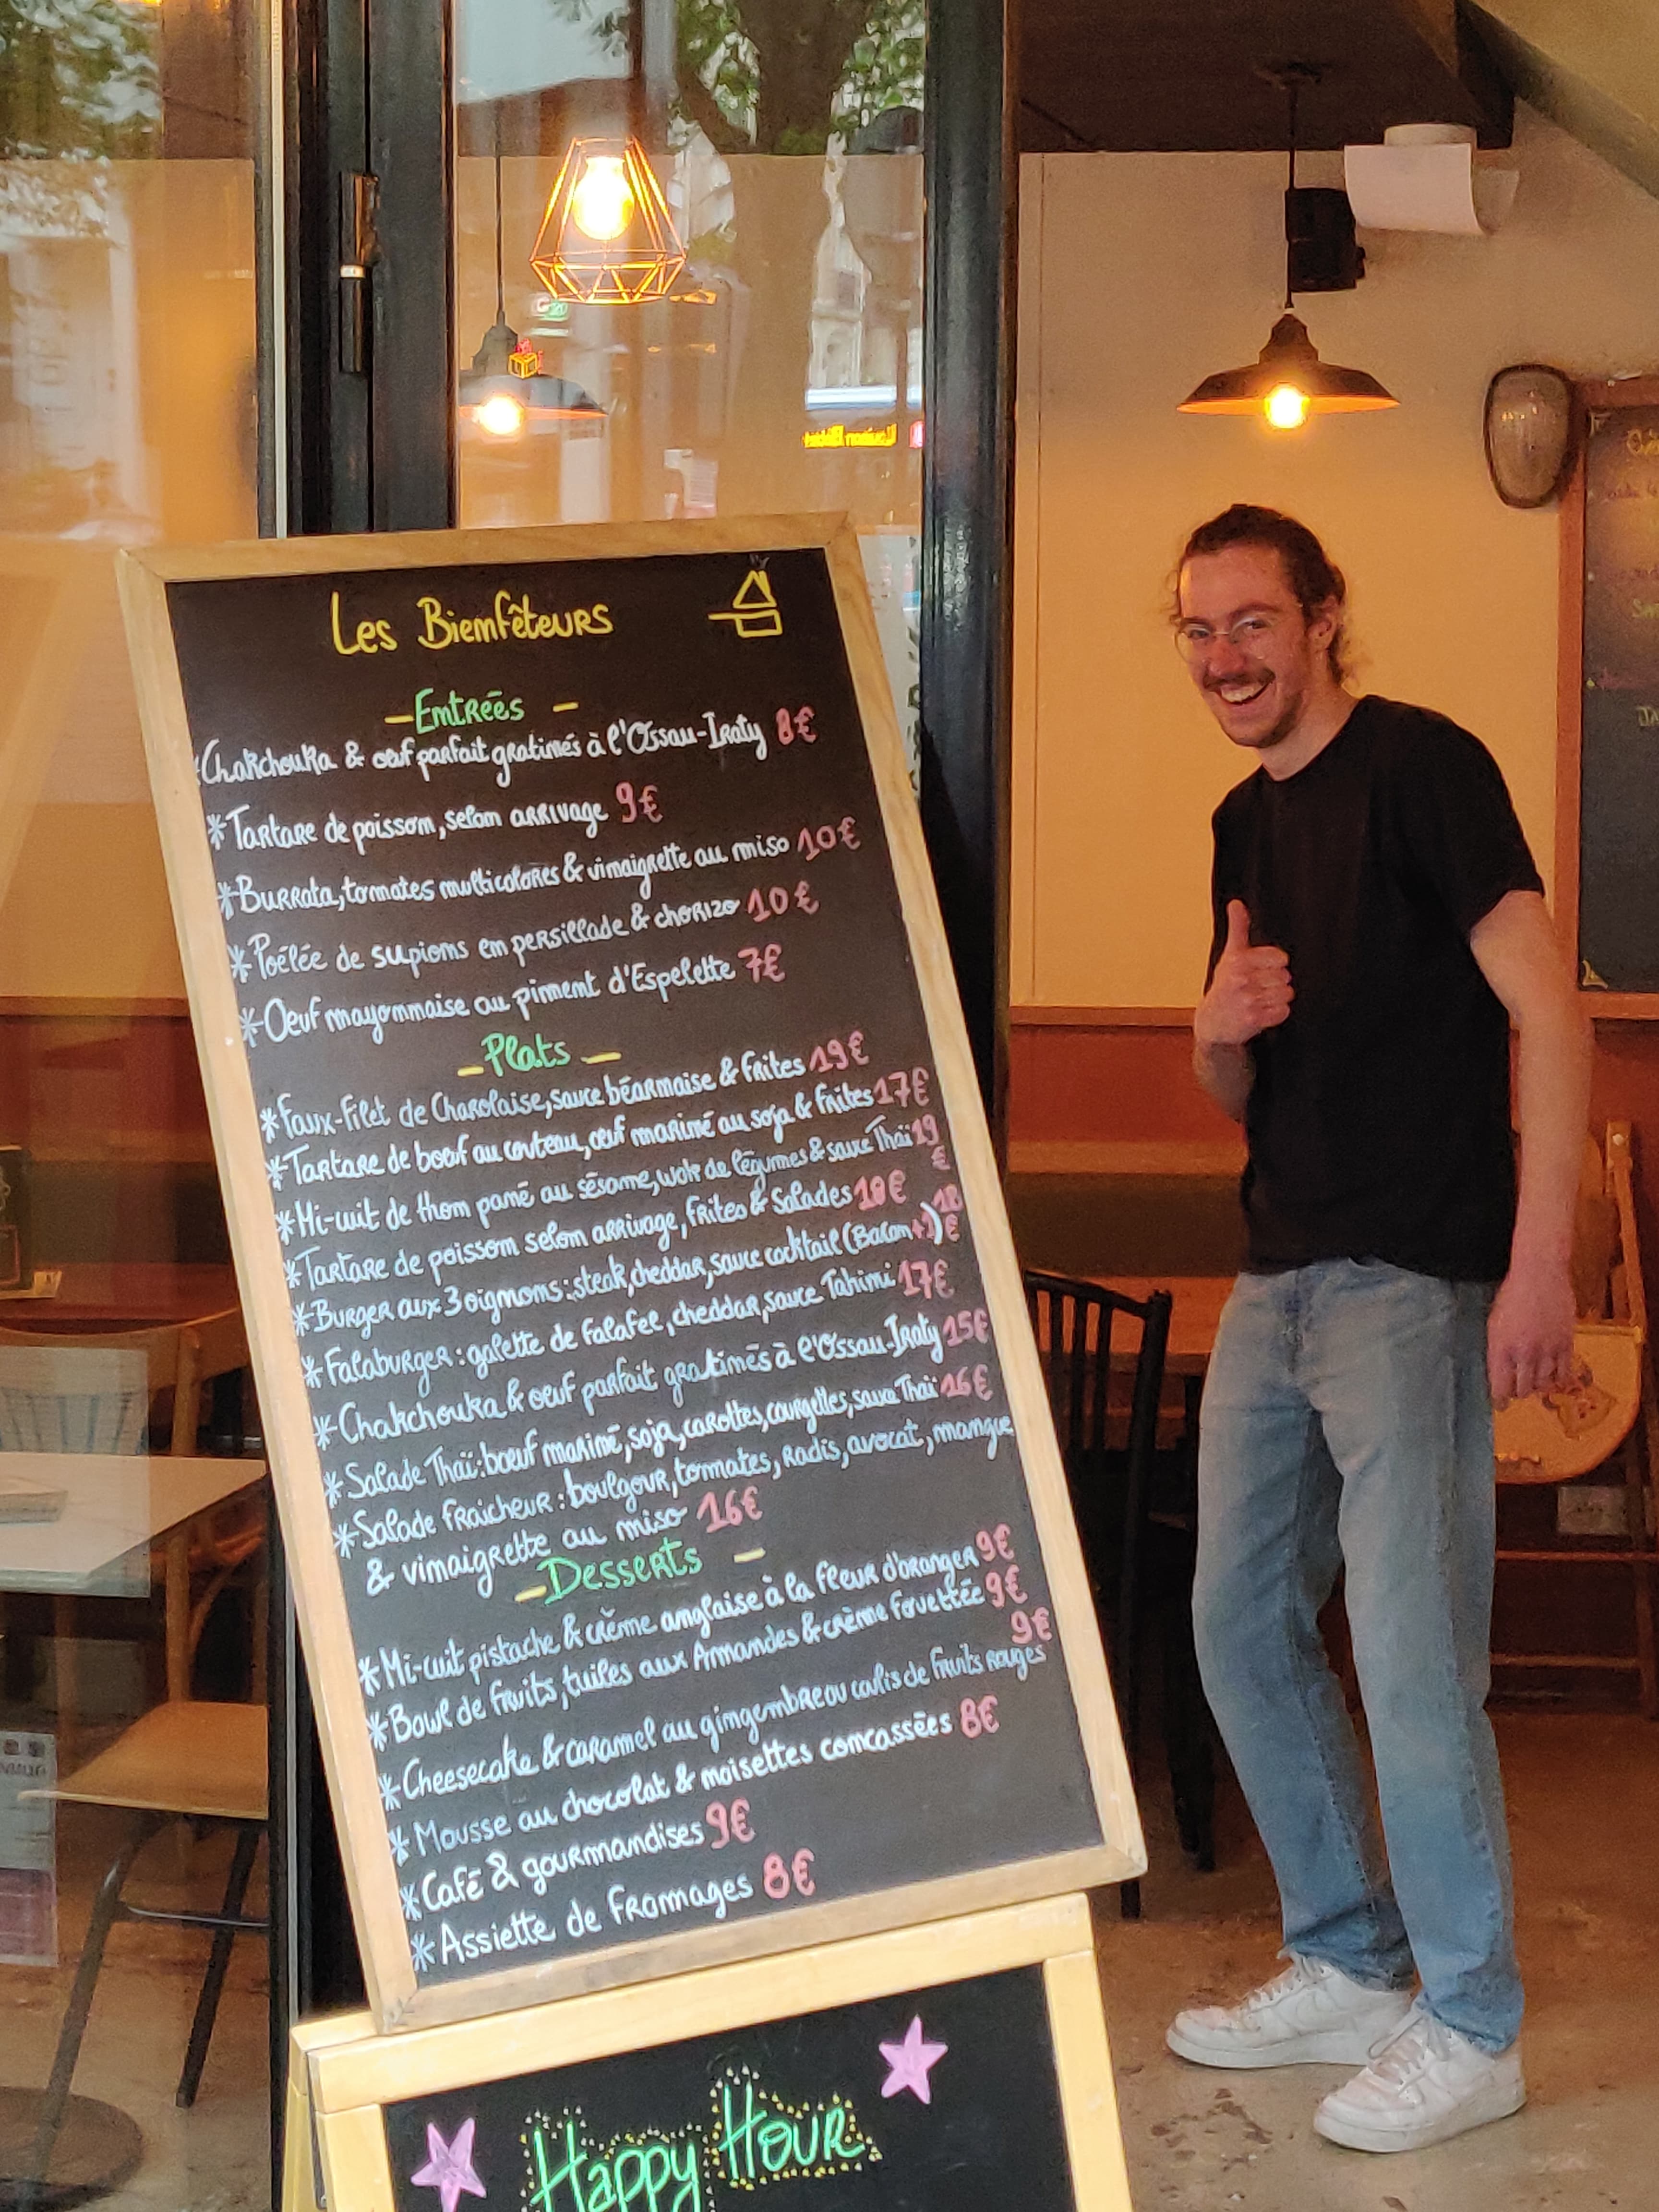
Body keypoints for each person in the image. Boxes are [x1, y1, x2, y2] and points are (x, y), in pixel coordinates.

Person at [1162, 504, 1592, 2155]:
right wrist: (1213, 1035)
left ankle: (1473, 2024)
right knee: (1236, 1625)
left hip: (1414, 1281)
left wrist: (1539, 1268)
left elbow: (1549, 1010)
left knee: (1415, 1657)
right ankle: (1351, 1957)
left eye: (1253, 624)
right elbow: (1240, 1087)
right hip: (1275, 1276)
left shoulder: (1425, 766)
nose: (1225, 659)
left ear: (1324, 618)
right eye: (1199, 630)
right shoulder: (1238, 822)